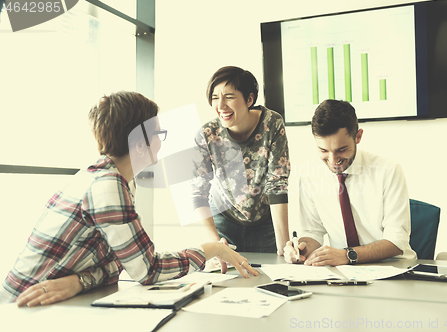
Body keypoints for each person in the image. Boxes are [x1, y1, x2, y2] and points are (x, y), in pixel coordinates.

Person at [0, 91, 258, 306]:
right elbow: (148, 271)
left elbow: (121, 263)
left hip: (46, 302)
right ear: (139, 144)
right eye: (158, 134)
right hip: (21, 307)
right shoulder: (108, 186)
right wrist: (212, 248)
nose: (161, 142)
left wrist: (81, 281)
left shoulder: (105, 177)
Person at [284, 99, 416, 266]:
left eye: (341, 150)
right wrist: (300, 249)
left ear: (358, 136)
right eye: (324, 150)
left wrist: (348, 255)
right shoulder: (309, 176)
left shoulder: (388, 170)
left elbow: (397, 240)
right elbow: (313, 232)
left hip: (393, 267)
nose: (332, 160)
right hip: (343, 272)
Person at [192, 66, 291, 256]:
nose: (221, 106)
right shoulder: (206, 134)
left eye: (229, 97)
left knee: (273, 274)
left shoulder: (272, 123)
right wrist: (215, 241)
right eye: (215, 97)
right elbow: (197, 193)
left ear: (249, 99)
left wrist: (285, 246)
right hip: (222, 217)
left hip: (264, 220)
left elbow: (277, 184)